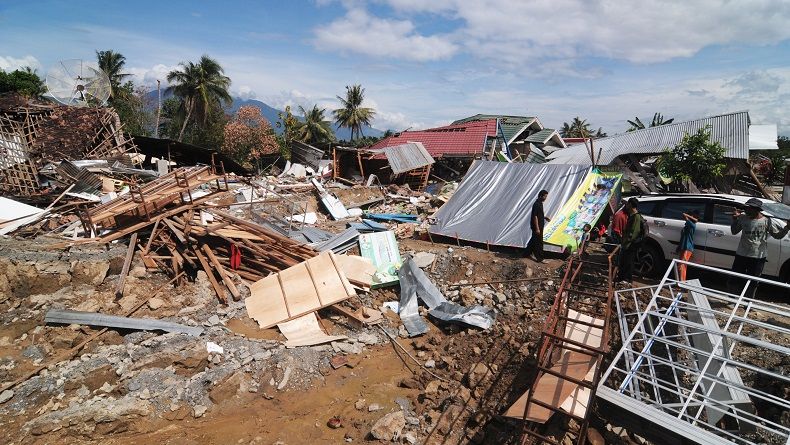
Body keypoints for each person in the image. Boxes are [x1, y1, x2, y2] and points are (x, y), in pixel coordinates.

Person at [730, 198, 790, 297]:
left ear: (757, 209)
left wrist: (787, 228)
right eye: (746, 208)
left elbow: (777, 236)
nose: (747, 210)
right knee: (735, 278)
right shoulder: (743, 218)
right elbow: (734, 231)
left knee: (753, 281)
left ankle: (748, 303)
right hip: (742, 254)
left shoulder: (767, 221)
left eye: (749, 208)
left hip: (758, 257)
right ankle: (732, 299)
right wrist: (735, 220)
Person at [617, 197, 647, 283]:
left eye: (627, 204)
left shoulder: (636, 217)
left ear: (630, 205)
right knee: (625, 261)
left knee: (628, 261)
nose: (626, 206)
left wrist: (626, 242)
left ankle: (627, 279)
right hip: (628, 243)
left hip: (631, 244)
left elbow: (633, 232)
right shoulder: (633, 216)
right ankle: (622, 277)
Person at [527, 189, 551, 263]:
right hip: (537, 227)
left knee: (533, 240)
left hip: (540, 225)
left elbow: (539, 214)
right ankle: (540, 258)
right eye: (545, 196)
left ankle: (525, 254)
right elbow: (535, 216)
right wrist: (537, 228)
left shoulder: (540, 203)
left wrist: (544, 217)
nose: (546, 198)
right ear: (541, 196)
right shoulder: (536, 204)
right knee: (539, 242)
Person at [676, 209, 700, 281]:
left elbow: (685, 215)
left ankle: (682, 283)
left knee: (682, 266)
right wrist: (679, 246)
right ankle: (681, 282)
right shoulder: (688, 224)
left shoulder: (692, 224)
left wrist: (688, 216)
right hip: (684, 247)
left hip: (687, 247)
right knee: (681, 265)